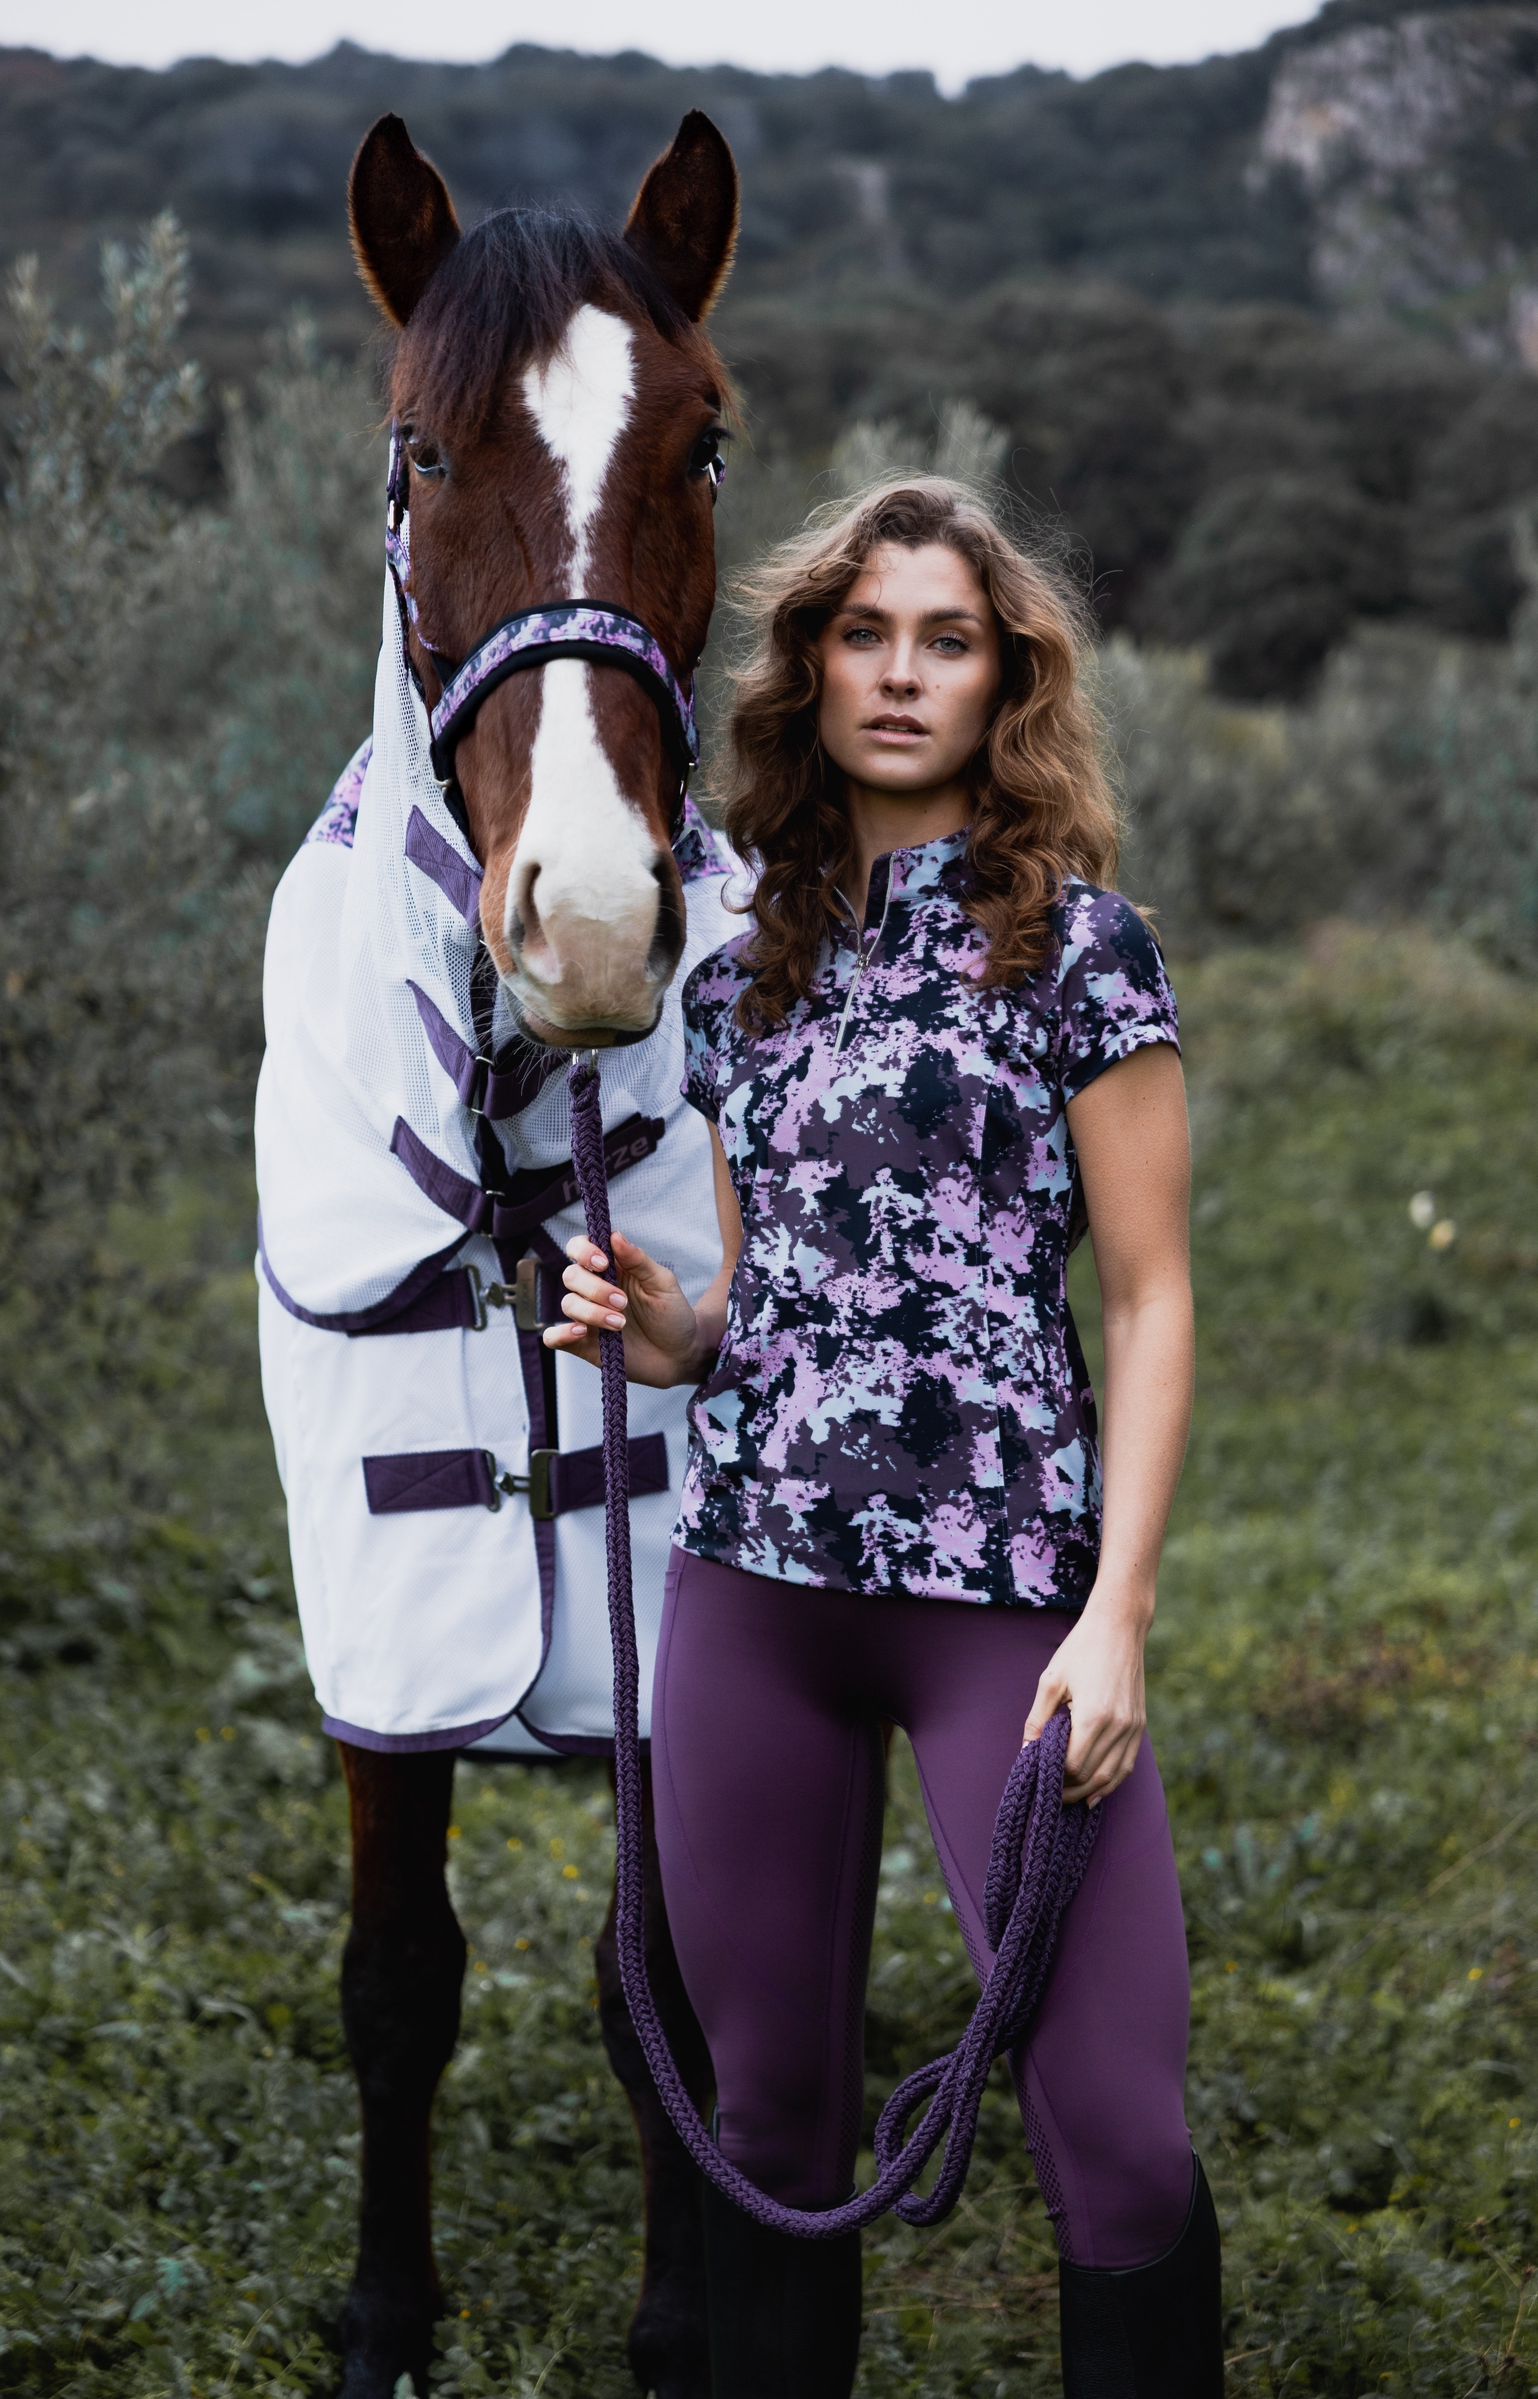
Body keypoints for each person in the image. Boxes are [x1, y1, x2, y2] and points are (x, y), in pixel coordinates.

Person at [545, 478, 1220, 2398]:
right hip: (752, 1589)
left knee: (1119, 2125)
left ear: (1005, 674)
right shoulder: (737, 965)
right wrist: (671, 1331)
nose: (902, 673)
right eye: (865, 633)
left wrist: (1121, 1615)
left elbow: (1152, 1297)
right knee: (763, 2118)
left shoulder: (1084, 953)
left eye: (947, 637)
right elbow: (772, 1291)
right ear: (809, 670)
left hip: (1005, 1601)